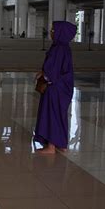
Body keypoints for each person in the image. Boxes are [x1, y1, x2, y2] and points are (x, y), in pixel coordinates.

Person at [34, 21, 77, 154]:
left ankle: (51, 146)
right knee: (60, 114)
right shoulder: (63, 47)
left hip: (56, 88)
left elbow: (54, 70)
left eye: (53, 30)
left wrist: (44, 75)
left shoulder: (59, 48)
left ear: (61, 33)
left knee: (52, 114)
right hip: (63, 87)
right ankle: (61, 144)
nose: (51, 33)